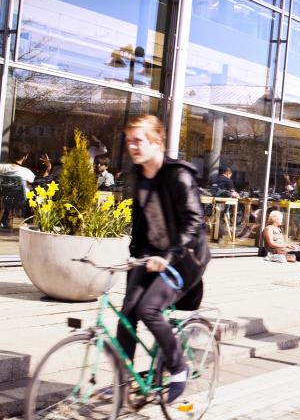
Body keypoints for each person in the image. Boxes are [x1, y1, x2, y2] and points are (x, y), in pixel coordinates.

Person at [117, 115, 210, 403]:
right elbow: (142, 225)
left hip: (185, 258)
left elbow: (194, 222)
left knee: (149, 309)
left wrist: (169, 256)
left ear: (157, 142)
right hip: (151, 256)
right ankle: (126, 381)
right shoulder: (139, 175)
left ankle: (178, 366)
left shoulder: (178, 174)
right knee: (127, 314)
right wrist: (134, 259)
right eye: (129, 140)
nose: (132, 146)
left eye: (138, 140)